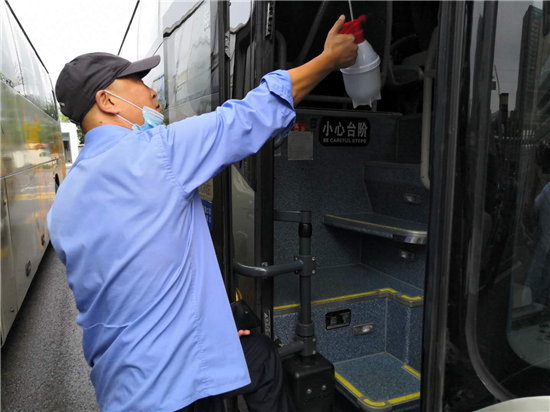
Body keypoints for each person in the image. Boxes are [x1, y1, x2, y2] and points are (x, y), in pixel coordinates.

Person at [48, 15, 357, 412]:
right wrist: (330, 59)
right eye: (139, 83)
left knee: (257, 354)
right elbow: (247, 116)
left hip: (121, 386)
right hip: (177, 384)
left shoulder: (63, 205)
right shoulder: (156, 153)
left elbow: (131, 288)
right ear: (107, 101)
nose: (153, 91)